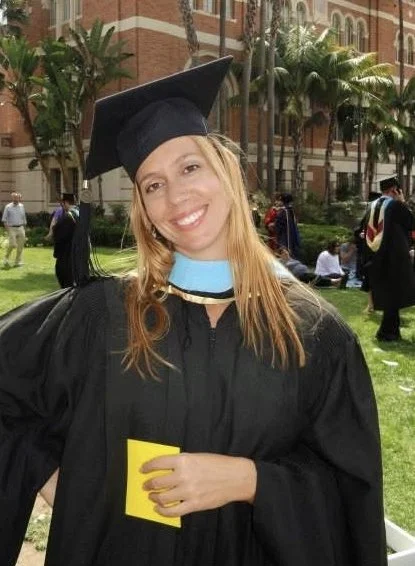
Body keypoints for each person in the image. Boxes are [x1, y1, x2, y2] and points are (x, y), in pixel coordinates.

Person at [0, 57, 386, 566]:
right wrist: (58, 481)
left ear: (226, 172)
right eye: (153, 184)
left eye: (189, 167)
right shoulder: (101, 315)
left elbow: (351, 494)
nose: (176, 195)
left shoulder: (315, 334)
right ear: (144, 210)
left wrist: (250, 480)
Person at [362, 176, 415, 341]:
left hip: (376, 256)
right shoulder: (395, 205)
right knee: (394, 294)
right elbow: (411, 223)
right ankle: (387, 332)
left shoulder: (371, 206)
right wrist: (403, 202)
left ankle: (391, 330)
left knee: (390, 294)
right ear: (394, 190)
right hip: (395, 257)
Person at [52, 193, 79, 288]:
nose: (62, 206)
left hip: (67, 257)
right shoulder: (80, 214)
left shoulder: (67, 218)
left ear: (66, 202)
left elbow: (59, 238)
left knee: (67, 285)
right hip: (79, 256)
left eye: (62, 203)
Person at [1, 191, 27, 267]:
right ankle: (6, 258)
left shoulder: (22, 206)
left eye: (17, 198)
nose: (16, 199)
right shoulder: (8, 207)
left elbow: (23, 217)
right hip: (11, 228)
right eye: (14, 197)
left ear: (19, 198)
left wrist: (24, 228)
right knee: (12, 244)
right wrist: (8, 230)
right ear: (12, 198)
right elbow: (4, 220)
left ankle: (17, 261)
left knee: (20, 246)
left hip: (21, 227)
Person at [274, 192, 301, 258]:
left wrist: (273, 225)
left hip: (284, 239)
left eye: (280, 200)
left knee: (284, 255)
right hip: (292, 238)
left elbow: (278, 227)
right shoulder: (291, 210)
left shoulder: (282, 212)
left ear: (283, 201)